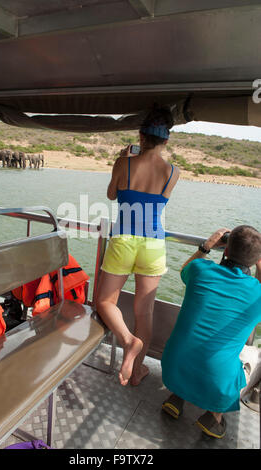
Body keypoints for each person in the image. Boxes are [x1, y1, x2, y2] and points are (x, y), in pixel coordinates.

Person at [96, 108, 179, 386]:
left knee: (106, 302)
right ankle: (137, 370)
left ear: (141, 136)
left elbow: (111, 194)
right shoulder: (172, 173)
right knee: (146, 312)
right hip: (153, 243)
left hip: (124, 239)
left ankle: (127, 341)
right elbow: (160, 201)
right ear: (165, 141)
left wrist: (121, 161)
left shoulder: (125, 164)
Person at [161, 225, 261, 438]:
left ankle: (176, 398)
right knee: (253, 353)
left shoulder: (199, 270)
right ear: (254, 262)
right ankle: (214, 416)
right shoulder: (257, 293)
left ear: (225, 250)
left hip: (172, 366)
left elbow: (184, 270)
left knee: (194, 341)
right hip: (217, 383)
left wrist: (205, 247)